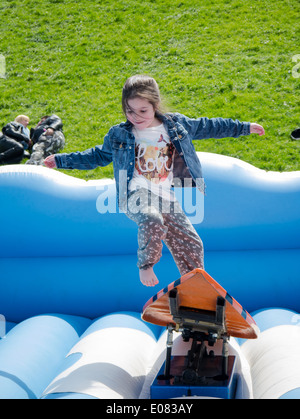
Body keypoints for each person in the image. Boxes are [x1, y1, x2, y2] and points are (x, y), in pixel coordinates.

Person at [44, 75, 265, 287]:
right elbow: (97, 156)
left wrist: (244, 127)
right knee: (151, 218)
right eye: (130, 111)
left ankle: (195, 290)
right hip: (135, 195)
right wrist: (62, 160)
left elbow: (210, 126)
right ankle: (146, 265)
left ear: (155, 105)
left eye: (143, 111)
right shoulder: (118, 134)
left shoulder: (176, 126)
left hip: (165, 196)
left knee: (192, 243)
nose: (136, 117)